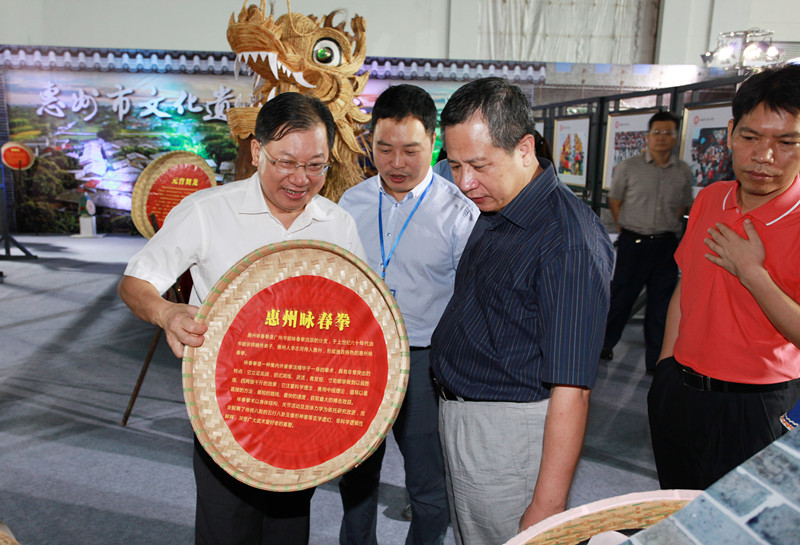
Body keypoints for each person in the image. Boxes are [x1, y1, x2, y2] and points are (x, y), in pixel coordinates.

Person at [118, 92, 365, 545]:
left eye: (316, 165)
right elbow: (135, 282)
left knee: (289, 529)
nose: (301, 179)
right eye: (286, 162)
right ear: (257, 151)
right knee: (227, 527)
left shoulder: (338, 224)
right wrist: (166, 312)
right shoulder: (207, 212)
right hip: (227, 410)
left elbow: (355, 316)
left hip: (301, 409)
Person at [430, 77, 614, 545]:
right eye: (454, 165)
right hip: (469, 418)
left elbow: (573, 390)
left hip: (510, 435)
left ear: (525, 148)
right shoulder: (500, 205)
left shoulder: (567, 241)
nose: (464, 182)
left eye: (479, 165)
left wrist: (547, 507)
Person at [337, 84, 478, 545]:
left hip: (423, 362)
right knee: (356, 475)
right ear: (370, 143)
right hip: (360, 358)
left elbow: (469, 299)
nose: (396, 163)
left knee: (428, 483)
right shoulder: (350, 204)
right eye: (385, 149)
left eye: (411, 151)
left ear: (433, 143)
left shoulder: (459, 212)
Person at [648, 64, 800, 491]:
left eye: (786, 142)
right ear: (731, 133)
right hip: (680, 392)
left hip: (759, 406)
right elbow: (687, 284)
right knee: (676, 508)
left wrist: (752, 273)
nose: (764, 156)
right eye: (750, 137)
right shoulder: (711, 198)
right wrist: (666, 368)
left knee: (741, 521)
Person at [600, 111, 693, 372]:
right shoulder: (629, 167)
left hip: (666, 245)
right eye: (657, 132)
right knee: (621, 299)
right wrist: (628, 228)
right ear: (648, 136)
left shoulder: (683, 171)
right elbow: (615, 201)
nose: (661, 138)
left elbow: (683, 206)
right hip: (633, 243)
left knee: (660, 307)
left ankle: (656, 360)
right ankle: (604, 345)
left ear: (675, 138)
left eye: (668, 133)